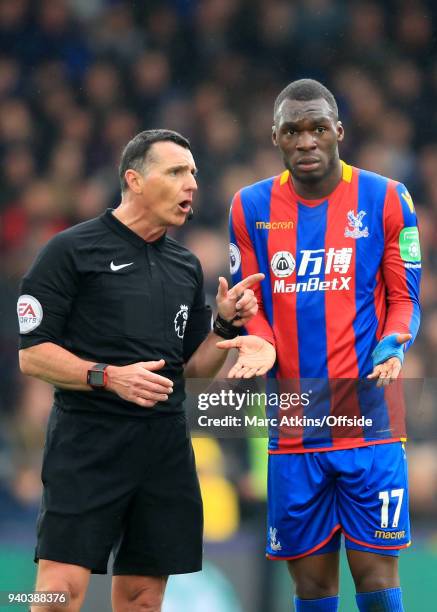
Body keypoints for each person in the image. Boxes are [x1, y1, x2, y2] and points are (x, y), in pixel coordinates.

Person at [17, 129, 276, 612]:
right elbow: (32, 354)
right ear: (134, 180)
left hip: (163, 449)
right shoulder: (71, 251)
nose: (192, 184)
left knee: (142, 599)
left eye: (194, 173)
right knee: (59, 593)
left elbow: (192, 370)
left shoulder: (185, 267)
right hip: (88, 442)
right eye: (177, 171)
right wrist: (109, 376)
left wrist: (222, 325)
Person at [226, 80, 421, 611]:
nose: (306, 141)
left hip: (370, 420)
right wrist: (259, 341)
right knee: (312, 589)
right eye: (293, 131)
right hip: (294, 423)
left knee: (377, 580)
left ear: (339, 131)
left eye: (317, 128)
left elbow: (405, 300)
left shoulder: (386, 197)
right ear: (275, 138)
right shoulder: (250, 207)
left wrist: (393, 345)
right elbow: (253, 308)